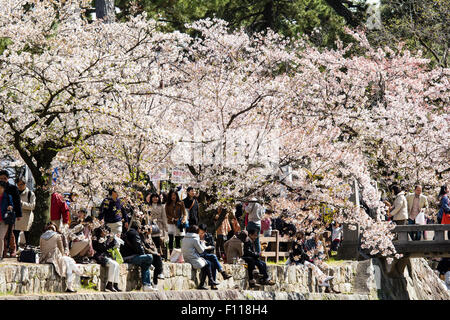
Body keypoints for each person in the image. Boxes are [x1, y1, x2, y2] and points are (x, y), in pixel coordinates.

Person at [40, 222, 83, 293]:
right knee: (69, 262)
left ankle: (70, 285)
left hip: (44, 257)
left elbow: (41, 249)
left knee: (68, 263)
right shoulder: (57, 236)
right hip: (55, 257)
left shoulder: (42, 236)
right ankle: (77, 273)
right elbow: (61, 250)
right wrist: (63, 254)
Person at [120, 220, 156, 292]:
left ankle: (147, 285)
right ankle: (146, 284)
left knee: (145, 263)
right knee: (149, 257)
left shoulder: (128, 233)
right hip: (129, 257)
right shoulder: (134, 234)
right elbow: (139, 249)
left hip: (127, 256)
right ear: (138, 228)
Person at [181, 225, 218, 290]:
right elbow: (201, 251)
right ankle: (209, 282)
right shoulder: (195, 239)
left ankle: (206, 283)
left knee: (207, 263)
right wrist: (202, 244)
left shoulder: (184, 238)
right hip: (193, 259)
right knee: (208, 263)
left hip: (186, 257)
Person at [92, 226, 122, 292]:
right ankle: (109, 284)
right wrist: (107, 239)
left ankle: (115, 284)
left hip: (105, 256)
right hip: (99, 257)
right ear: (100, 232)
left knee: (117, 264)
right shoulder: (97, 239)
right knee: (113, 264)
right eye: (103, 230)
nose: (105, 231)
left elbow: (110, 247)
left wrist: (113, 239)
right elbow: (101, 248)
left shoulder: (105, 238)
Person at [0, 170, 22, 257]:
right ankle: (4, 251)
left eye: (4, 178)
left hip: (9, 214)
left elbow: (17, 201)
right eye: (1, 178)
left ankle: (13, 248)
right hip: (1, 213)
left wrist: (19, 214)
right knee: (2, 235)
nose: (2, 180)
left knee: (10, 232)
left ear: (8, 179)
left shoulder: (12, 188)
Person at [13, 177, 35, 250]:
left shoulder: (30, 194)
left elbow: (32, 206)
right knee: (15, 235)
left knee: (27, 237)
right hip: (17, 217)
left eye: (21, 184)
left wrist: (22, 204)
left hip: (26, 218)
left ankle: (27, 253)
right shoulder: (15, 193)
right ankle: (14, 250)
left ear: (25, 184)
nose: (20, 186)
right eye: (18, 184)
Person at [145, 193, 168, 257]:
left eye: (156, 197)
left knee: (160, 241)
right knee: (152, 240)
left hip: (159, 225)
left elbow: (164, 217)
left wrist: (166, 227)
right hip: (151, 225)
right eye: (153, 197)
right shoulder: (148, 206)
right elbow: (146, 216)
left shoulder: (161, 206)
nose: (155, 198)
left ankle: (163, 255)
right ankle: (155, 254)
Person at [165, 189, 187, 253]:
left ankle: (178, 254)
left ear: (177, 195)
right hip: (171, 223)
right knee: (171, 239)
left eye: (174, 195)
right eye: (171, 195)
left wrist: (183, 219)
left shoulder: (181, 203)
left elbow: (184, 213)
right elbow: (167, 214)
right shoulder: (167, 204)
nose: (173, 196)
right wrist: (173, 219)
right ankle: (171, 253)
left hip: (178, 223)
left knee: (178, 239)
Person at [0, 181, 14, 261]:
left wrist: (10, 207)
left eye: (1, 187)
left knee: (0, 237)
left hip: (4, 220)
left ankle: (0, 255)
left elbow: (12, 205)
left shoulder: (8, 196)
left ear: (4, 188)